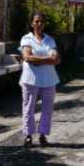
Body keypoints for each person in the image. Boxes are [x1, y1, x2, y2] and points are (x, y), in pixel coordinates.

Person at [19, 13, 61, 148]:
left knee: (47, 109)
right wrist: (47, 60)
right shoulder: (26, 39)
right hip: (30, 79)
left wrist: (37, 60)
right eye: (36, 21)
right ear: (32, 23)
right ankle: (28, 136)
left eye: (41, 22)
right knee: (29, 107)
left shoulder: (50, 40)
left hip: (49, 79)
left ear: (44, 24)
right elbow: (27, 57)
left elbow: (56, 59)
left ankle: (43, 135)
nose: (39, 24)